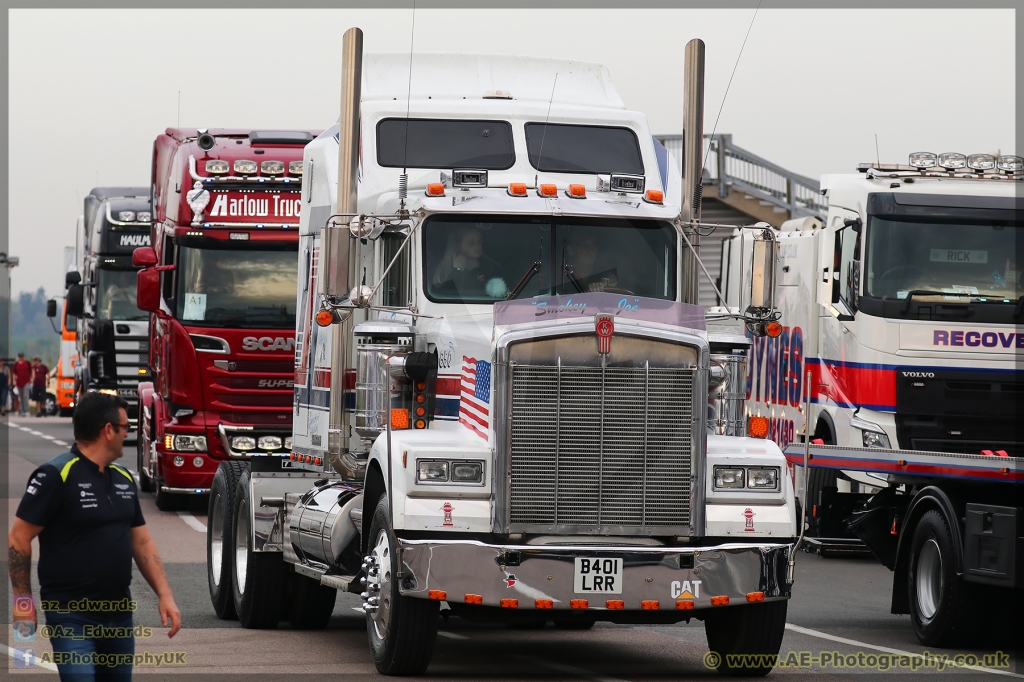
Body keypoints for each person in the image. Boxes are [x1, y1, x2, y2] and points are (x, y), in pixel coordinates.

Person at [8, 392, 182, 680]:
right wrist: (22, 604)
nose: (129, 432)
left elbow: (141, 542)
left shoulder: (124, 479)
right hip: (70, 615)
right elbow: (18, 537)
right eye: (126, 426)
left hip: (119, 615)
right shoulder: (55, 475)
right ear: (108, 430)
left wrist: (165, 595)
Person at [431, 226, 505, 298]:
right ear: (458, 246)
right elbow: (440, 296)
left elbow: (502, 295)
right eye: (471, 242)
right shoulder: (446, 269)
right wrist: (456, 269)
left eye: (479, 241)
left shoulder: (491, 267)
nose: (477, 245)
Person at [12, 352, 32, 417]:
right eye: (20, 357)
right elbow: (14, 373)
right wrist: (14, 380)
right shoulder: (16, 364)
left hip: (26, 381)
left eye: (22, 357)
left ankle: (27, 411)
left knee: (25, 396)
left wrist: (32, 378)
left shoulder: (27, 363)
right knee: (21, 397)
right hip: (19, 382)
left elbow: (31, 371)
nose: (21, 358)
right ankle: (22, 411)